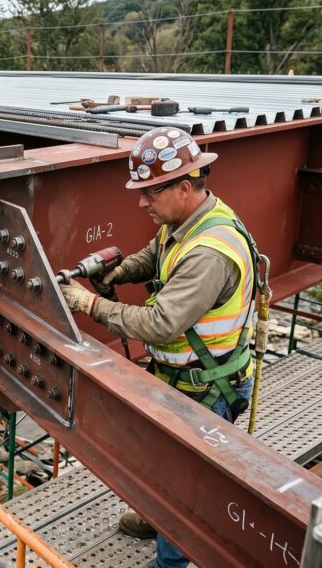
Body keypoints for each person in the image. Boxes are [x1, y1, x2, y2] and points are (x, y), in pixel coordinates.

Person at [59, 127, 260, 568]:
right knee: (161, 466)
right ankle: (157, 517)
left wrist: (89, 303)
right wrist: (121, 271)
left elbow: (160, 323)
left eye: (150, 192)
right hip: (182, 380)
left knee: (182, 494)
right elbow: (157, 253)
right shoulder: (190, 220)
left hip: (205, 389)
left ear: (183, 187)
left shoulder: (210, 252)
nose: (141, 202)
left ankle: (170, 559)